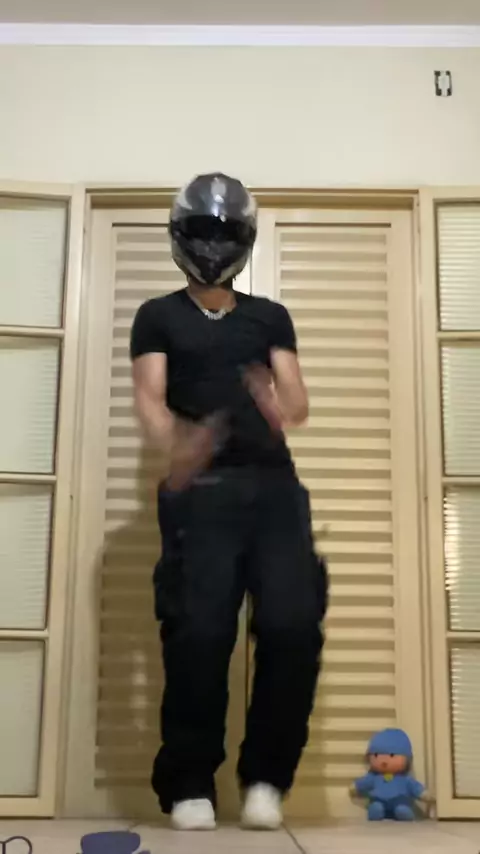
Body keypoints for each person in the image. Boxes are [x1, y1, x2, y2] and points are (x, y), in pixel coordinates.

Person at [130, 173, 328, 831]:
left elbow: (297, 403)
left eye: (225, 234)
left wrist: (275, 400)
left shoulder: (270, 316)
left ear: (243, 241)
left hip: (274, 493)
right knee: (200, 635)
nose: (213, 246)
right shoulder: (157, 316)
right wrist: (178, 444)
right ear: (181, 236)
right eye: (202, 232)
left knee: (292, 627)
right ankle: (190, 783)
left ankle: (267, 779)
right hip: (201, 496)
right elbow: (150, 401)